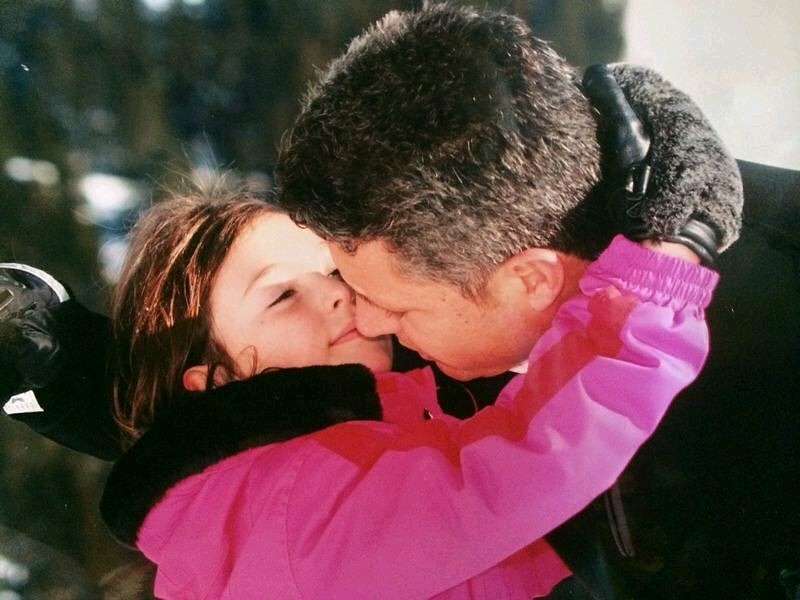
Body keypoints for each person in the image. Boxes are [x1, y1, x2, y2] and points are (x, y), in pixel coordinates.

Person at [266, 4, 797, 598]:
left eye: (396, 307)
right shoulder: (443, 351)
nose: (365, 322)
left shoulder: (780, 320)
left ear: (531, 281)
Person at [93, 180, 715, 598]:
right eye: (283, 296)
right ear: (216, 383)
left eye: (332, 269)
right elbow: (520, 463)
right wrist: (662, 267)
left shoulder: (251, 503)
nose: (336, 292)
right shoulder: (290, 506)